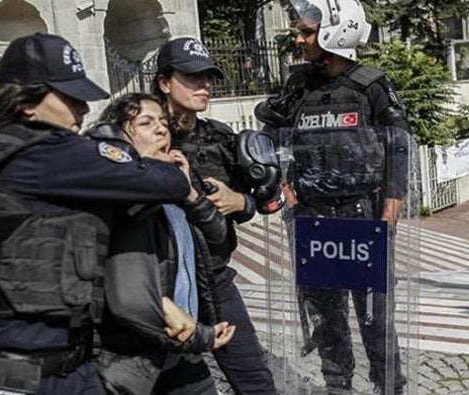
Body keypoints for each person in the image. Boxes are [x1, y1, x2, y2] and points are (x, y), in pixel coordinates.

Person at [0, 33, 196, 395]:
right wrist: (162, 166)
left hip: (15, 365)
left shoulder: (0, 147)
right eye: (70, 96)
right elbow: (168, 183)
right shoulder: (48, 151)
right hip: (38, 375)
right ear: (27, 103)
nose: (82, 108)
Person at [254, 1, 410, 393]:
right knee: (325, 310)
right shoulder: (298, 84)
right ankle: (337, 383)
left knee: (374, 312)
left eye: (307, 33)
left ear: (335, 34)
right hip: (311, 214)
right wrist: (284, 183)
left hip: (363, 214)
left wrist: (393, 201)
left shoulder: (371, 84)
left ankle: (388, 384)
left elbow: (399, 144)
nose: (300, 39)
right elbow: (275, 131)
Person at [151, 37, 277, 394]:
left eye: (208, 76)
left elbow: (256, 202)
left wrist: (239, 201)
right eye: (192, 77)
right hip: (163, 286)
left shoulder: (221, 137)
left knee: (256, 381)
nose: (204, 85)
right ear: (164, 82)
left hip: (217, 280)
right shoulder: (143, 136)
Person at [89, 93, 235, 395]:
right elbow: (130, 299)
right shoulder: (123, 200)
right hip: (133, 362)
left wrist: (189, 192)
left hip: (180, 355)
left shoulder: (172, 191)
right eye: (146, 122)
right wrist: (200, 336)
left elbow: (218, 236)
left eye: (163, 123)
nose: (161, 130)